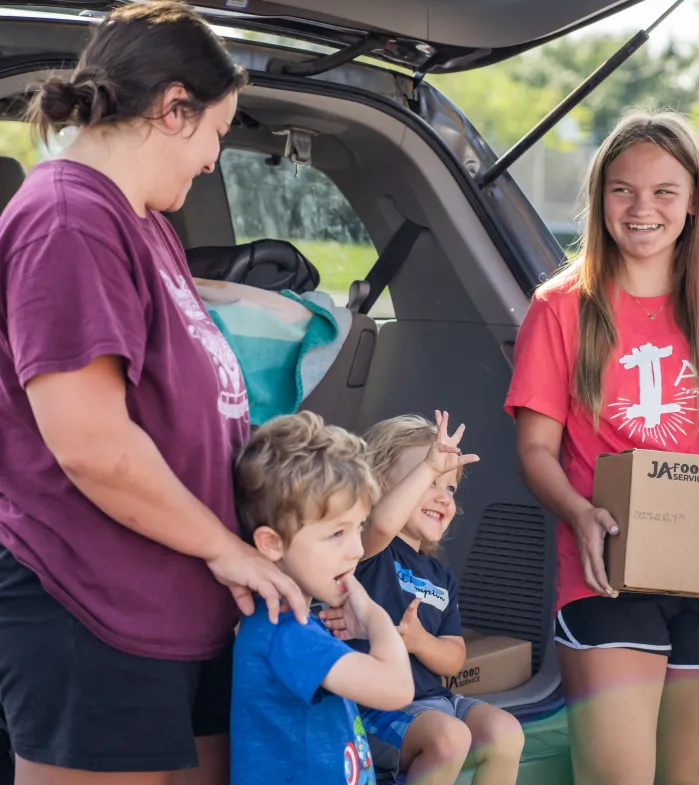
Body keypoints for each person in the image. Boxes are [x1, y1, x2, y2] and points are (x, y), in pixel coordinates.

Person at [0, 4, 308, 784]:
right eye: (215, 131)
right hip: (90, 608)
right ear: (174, 108)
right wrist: (225, 549)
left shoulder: (142, 222)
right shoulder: (68, 218)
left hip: (173, 612)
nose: (212, 160)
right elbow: (93, 445)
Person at [506, 109, 699, 785]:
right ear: (600, 197)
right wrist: (578, 511)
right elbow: (536, 448)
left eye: (663, 191)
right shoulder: (560, 307)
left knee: (688, 777)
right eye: (622, 189)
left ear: (693, 203)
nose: (641, 208)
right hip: (605, 571)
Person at [322, 412, 525, 785]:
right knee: (449, 737)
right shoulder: (368, 550)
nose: (442, 496)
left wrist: (420, 641)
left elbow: (454, 656)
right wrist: (431, 464)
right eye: (429, 480)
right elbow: (383, 523)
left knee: (505, 732)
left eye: (449, 487)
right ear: (377, 483)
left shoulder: (439, 574)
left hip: (435, 702)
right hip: (375, 708)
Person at [230, 411, 414, 785]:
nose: (356, 549)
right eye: (336, 534)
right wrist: (374, 615)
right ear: (272, 544)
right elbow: (396, 689)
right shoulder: (285, 634)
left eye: (358, 528)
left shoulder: (297, 623)